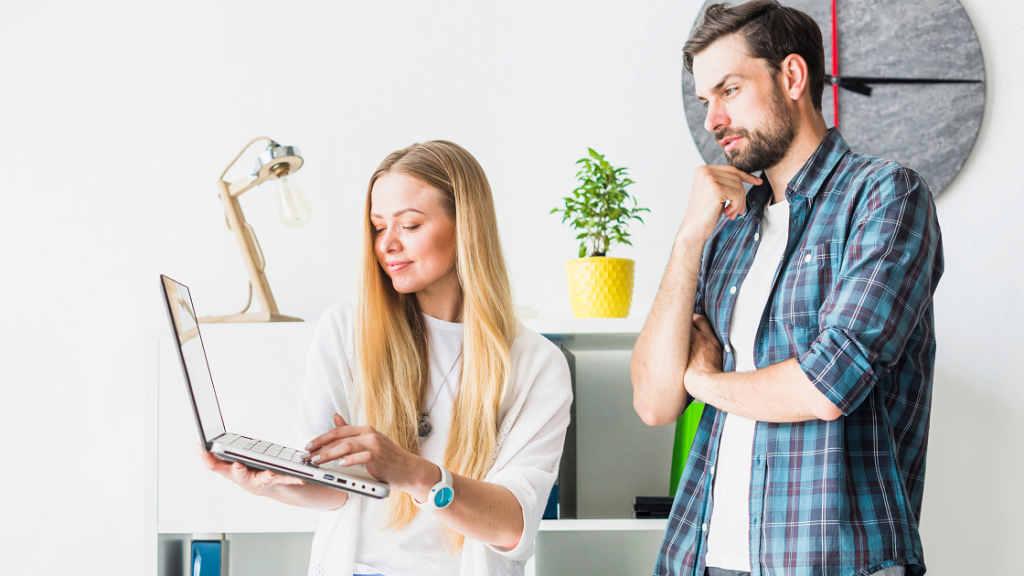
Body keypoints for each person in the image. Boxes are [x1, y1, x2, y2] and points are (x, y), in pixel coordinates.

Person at [630, 2, 942, 576]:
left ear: (792, 77)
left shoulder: (885, 197)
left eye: (729, 90)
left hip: (830, 561)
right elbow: (653, 402)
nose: (712, 120)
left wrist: (702, 379)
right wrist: (686, 240)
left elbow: (828, 384)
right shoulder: (726, 232)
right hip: (704, 560)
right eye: (705, 101)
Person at [200, 140, 573, 576]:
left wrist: (416, 474)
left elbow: (513, 525)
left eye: (409, 225)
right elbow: (335, 490)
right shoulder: (345, 331)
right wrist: (267, 484)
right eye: (379, 227)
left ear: (466, 226)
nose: (387, 245)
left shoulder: (537, 366)